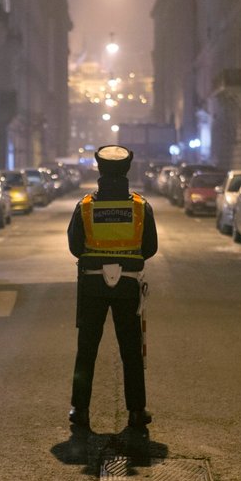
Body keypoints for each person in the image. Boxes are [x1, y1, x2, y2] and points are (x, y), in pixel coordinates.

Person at [67, 145, 158, 430]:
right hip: (128, 285)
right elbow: (150, 248)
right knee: (131, 350)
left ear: (99, 170)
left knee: (87, 350)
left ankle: (80, 411)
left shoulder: (85, 206)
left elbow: (74, 246)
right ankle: (136, 411)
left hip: (92, 284)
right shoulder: (141, 207)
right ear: (128, 170)